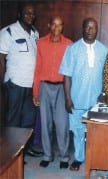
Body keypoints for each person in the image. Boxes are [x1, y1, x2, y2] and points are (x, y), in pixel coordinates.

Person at [59, 17, 108, 171]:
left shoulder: (104, 50)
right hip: (77, 98)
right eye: (87, 27)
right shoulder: (72, 49)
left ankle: (96, 159)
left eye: (93, 28)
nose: (90, 31)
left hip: (97, 100)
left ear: (97, 30)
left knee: (97, 132)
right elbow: (66, 75)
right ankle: (79, 159)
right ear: (83, 28)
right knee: (78, 131)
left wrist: (105, 93)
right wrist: (67, 98)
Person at [0, 2, 42, 157]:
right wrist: (4, 83)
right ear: (19, 14)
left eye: (32, 13)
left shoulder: (35, 33)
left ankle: (25, 149)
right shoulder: (8, 32)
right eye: (27, 13)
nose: (30, 16)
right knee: (13, 121)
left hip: (30, 85)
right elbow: (1, 58)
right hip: (15, 84)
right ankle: (11, 154)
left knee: (28, 120)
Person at [32, 16, 72, 169]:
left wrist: (70, 94)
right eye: (53, 25)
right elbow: (37, 69)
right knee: (45, 123)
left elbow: (71, 72)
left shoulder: (69, 44)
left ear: (63, 27)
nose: (56, 28)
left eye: (59, 25)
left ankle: (64, 156)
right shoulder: (41, 43)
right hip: (44, 87)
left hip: (62, 87)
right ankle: (47, 155)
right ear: (49, 25)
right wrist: (35, 93)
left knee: (62, 124)